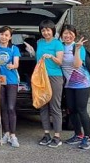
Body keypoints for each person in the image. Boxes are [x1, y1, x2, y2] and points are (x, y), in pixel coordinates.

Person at [60, 24, 90, 150]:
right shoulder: (61, 47)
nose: (67, 36)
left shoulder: (78, 47)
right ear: (61, 35)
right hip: (69, 84)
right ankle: (78, 134)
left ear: (74, 34)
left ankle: (88, 137)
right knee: (71, 110)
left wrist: (78, 49)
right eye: (65, 33)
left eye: (70, 33)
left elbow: (77, 64)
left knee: (81, 109)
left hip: (82, 83)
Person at [0, 26, 21, 148]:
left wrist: (12, 66)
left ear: (10, 37)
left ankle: (13, 135)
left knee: (11, 107)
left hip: (12, 80)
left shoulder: (14, 48)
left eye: (6, 35)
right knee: (2, 107)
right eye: (2, 34)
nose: (3, 37)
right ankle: (6, 133)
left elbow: (17, 63)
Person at [36, 19, 64, 148]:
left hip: (55, 77)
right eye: (43, 30)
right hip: (41, 77)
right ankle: (46, 134)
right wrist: (31, 50)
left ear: (52, 30)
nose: (45, 32)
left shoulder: (57, 44)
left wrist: (51, 56)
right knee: (43, 105)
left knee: (55, 107)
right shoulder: (40, 43)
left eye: (47, 30)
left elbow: (60, 61)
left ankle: (57, 136)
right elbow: (38, 58)